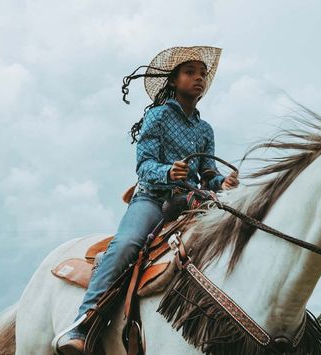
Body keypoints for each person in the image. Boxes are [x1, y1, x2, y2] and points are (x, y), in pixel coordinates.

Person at [52, 46, 239, 354]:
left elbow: (209, 175)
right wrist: (170, 171)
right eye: (190, 72)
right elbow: (144, 165)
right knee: (127, 244)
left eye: (202, 74)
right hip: (153, 200)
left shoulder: (205, 129)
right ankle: (83, 323)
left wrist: (223, 182)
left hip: (192, 204)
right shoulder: (158, 116)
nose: (199, 79)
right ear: (174, 79)